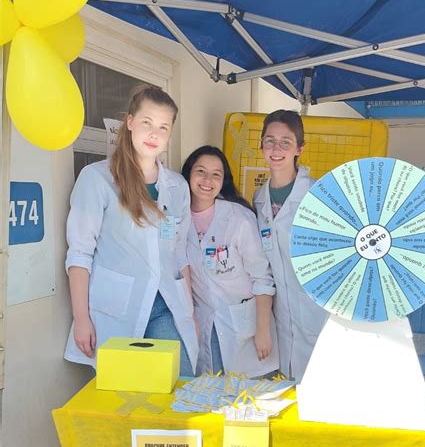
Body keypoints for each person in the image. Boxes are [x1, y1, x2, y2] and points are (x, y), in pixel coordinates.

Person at [64, 83, 198, 376]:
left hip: (167, 306)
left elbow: (181, 253)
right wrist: (81, 318)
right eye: (147, 122)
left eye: (163, 127)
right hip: (118, 309)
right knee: (125, 399)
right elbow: (80, 254)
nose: (154, 134)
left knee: (181, 386)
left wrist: (189, 314)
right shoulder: (97, 179)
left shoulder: (177, 187)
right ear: (130, 122)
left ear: (170, 135)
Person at [182, 145, 279, 377]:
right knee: (213, 400)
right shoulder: (177, 219)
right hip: (205, 323)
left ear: (223, 180)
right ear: (188, 175)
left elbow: (262, 277)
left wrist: (263, 330)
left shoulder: (238, 218)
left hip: (246, 324)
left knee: (252, 400)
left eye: (216, 174)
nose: (207, 180)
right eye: (201, 172)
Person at [253, 110, 327, 382]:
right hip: (281, 313)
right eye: (269, 141)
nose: (276, 149)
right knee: (286, 388)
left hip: (319, 309)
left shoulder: (318, 194)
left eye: (286, 142)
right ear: (261, 145)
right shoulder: (259, 198)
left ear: (299, 148)